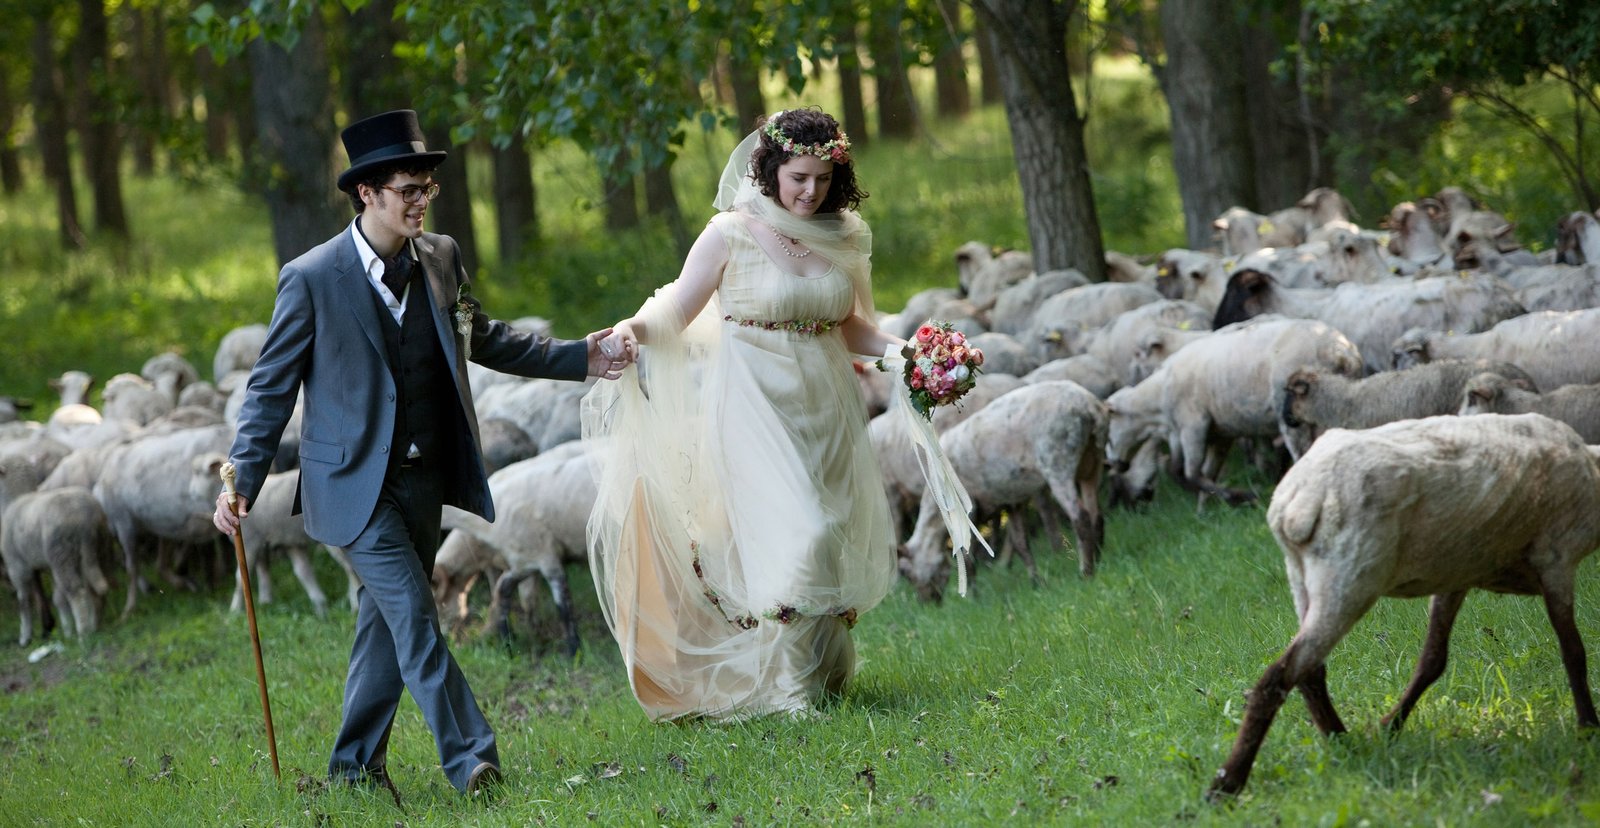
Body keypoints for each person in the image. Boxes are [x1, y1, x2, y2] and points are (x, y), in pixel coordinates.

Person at [211, 108, 629, 796]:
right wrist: (242, 478)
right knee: (415, 613)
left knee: (385, 628)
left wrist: (582, 356)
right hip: (351, 487)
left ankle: (352, 770)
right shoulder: (310, 278)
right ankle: (472, 759)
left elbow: (486, 336)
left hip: (424, 479)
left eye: (426, 188)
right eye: (409, 189)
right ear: (366, 193)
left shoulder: (439, 258)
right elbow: (269, 389)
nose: (422, 202)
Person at [583, 107, 976, 721]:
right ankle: (793, 693)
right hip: (752, 404)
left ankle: (823, 676)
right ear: (769, 169)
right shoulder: (729, 234)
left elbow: (851, 327)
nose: (810, 191)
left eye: (822, 179)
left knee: (829, 531)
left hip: (826, 406)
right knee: (802, 532)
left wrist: (913, 357)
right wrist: (632, 331)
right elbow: (677, 308)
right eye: (797, 177)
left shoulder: (844, 233)